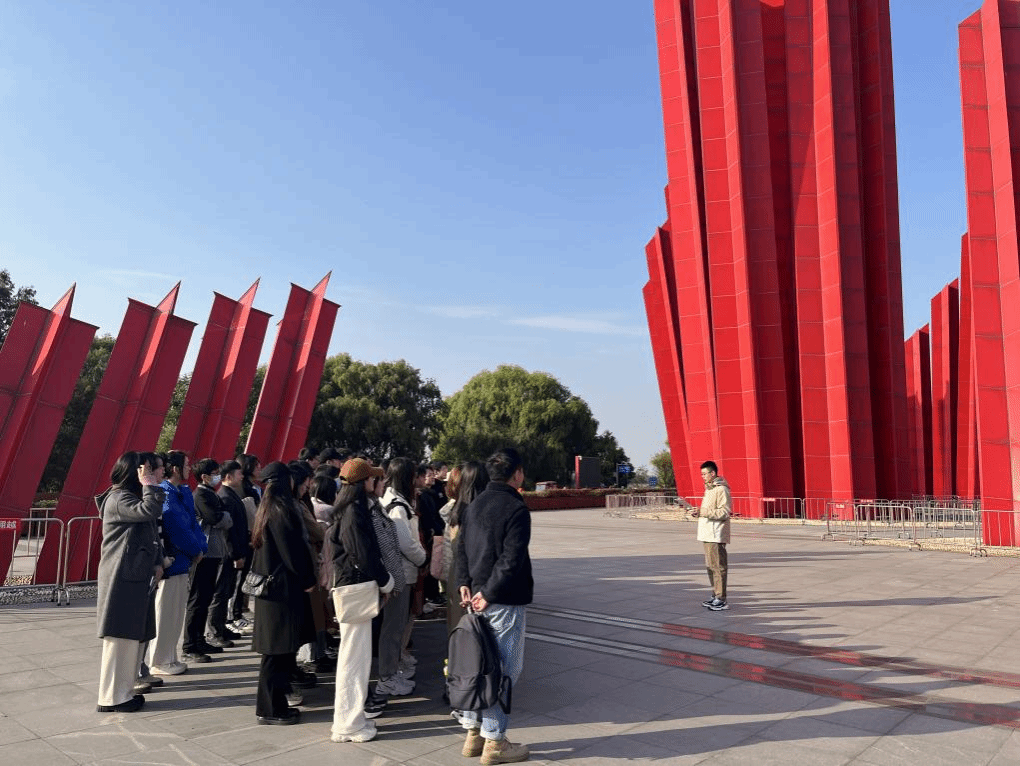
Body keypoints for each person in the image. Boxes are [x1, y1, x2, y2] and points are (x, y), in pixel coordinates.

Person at [455, 448, 532, 764]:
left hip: (474, 598)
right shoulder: (516, 508)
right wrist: (489, 592)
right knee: (502, 670)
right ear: (517, 473)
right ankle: (495, 741)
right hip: (501, 600)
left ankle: (473, 733)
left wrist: (464, 581)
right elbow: (511, 559)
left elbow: (461, 548)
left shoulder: (474, 505)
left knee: (477, 665)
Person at [326, 458, 395, 743]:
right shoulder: (354, 511)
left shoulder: (348, 508)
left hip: (353, 587)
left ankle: (351, 719)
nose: (375, 482)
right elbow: (362, 555)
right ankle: (348, 724)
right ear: (363, 482)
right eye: (371, 478)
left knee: (355, 657)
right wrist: (386, 580)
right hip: (355, 588)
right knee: (354, 659)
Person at [96, 451, 166, 713]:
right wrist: (149, 485)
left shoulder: (128, 497)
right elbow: (150, 510)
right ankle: (112, 697)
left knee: (129, 638)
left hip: (131, 574)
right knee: (119, 637)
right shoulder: (118, 498)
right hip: (120, 575)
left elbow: (150, 530)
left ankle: (122, 693)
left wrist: (157, 562)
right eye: (145, 470)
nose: (150, 475)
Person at [250, 461, 318, 725]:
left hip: (275, 590)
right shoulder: (281, 510)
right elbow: (293, 551)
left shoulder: (270, 508)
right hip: (280, 591)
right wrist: (307, 578)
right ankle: (269, 709)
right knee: (275, 653)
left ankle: (275, 705)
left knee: (278, 651)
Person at [148, 451, 207, 675]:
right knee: (165, 614)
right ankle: (160, 660)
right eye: (186, 464)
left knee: (175, 615)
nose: (189, 468)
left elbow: (192, 523)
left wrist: (200, 547)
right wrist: (196, 549)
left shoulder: (180, 492)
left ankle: (169, 657)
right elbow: (177, 527)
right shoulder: (166, 493)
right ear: (175, 468)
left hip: (183, 562)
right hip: (173, 564)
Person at [378, 457, 426, 696]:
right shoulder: (397, 506)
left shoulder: (393, 500)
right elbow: (405, 543)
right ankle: (387, 677)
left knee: (395, 627)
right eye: (414, 475)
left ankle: (391, 671)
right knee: (393, 628)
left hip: (398, 572)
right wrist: (423, 558)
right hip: (400, 573)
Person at [185, 459, 233, 655]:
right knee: (197, 599)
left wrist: (224, 516)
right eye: (214, 473)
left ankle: (199, 639)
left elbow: (222, 517)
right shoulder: (200, 495)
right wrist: (225, 516)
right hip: (203, 554)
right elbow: (216, 518)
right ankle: (190, 644)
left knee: (205, 599)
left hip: (213, 552)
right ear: (204, 477)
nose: (218, 476)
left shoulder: (210, 494)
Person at [441, 461, 489, 634]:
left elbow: (450, 553)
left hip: (457, 579)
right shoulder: (485, 513)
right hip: (478, 582)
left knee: (459, 630)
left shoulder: (456, 512)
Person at [213, 460, 252, 641]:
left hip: (235, 551)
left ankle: (222, 627)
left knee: (227, 591)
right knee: (222, 593)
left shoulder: (231, 494)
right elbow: (229, 531)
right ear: (228, 476)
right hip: (229, 554)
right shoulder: (226, 497)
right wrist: (236, 554)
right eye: (239, 473)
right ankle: (217, 629)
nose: (242, 476)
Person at [688, 460, 732, 611]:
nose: (703, 477)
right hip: (707, 533)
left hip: (716, 534)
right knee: (710, 567)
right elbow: (707, 511)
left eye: (704, 474)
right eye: (701, 474)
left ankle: (721, 599)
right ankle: (715, 595)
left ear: (713, 473)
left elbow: (724, 512)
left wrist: (703, 512)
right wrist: (698, 512)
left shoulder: (721, 489)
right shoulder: (709, 489)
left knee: (718, 567)